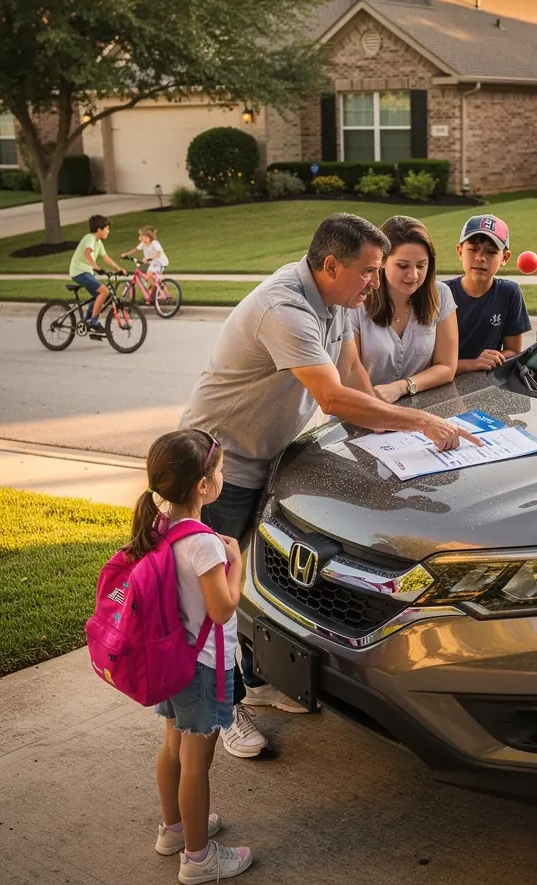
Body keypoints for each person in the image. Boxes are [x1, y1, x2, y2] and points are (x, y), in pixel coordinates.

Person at [179, 212, 481, 759]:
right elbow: (333, 399)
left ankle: (251, 680)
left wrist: (393, 448)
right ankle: (223, 709)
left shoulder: (339, 303)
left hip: (270, 461)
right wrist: (425, 424)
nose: (376, 281)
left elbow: (355, 384)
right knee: (209, 601)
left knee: (250, 584)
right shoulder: (285, 308)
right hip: (218, 470)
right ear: (331, 264)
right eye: (368, 271)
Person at [126, 428, 254, 885]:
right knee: (198, 762)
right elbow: (221, 609)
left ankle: (174, 831)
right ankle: (199, 859)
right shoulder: (203, 544)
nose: (222, 477)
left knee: (173, 747)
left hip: (171, 660)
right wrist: (235, 562)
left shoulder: (159, 526)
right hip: (200, 667)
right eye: (219, 471)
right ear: (204, 486)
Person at [350, 215, 458, 403]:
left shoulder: (442, 295)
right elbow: (349, 373)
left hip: (418, 407)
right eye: (403, 265)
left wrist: (402, 387)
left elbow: (447, 367)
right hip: (361, 407)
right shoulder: (355, 301)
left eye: (421, 265)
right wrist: (378, 406)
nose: (413, 275)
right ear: (382, 260)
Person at [446, 215, 531, 374]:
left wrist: (494, 358)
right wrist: (473, 364)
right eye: (472, 249)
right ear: (459, 251)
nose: (480, 258)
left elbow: (513, 351)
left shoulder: (509, 293)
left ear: (505, 258)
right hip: (442, 383)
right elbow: (429, 362)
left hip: (485, 381)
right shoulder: (443, 293)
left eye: (491, 252)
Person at [68, 214, 126, 334]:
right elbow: (87, 253)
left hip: (86, 272)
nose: (108, 232)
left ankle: (87, 321)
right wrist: (95, 266)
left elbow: (106, 258)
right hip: (79, 271)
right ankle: (93, 321)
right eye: (107, 229)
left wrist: (119, 269)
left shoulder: (98, 242)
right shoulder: (90, 238)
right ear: (99, 229)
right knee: (104, 291)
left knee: (101, 295)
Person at [121, 225, 169, 296]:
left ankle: (156, 289)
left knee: (149, 273)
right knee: (144, 273)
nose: (140, 238)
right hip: (152, 263)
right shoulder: (143, 244)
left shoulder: (155, 243)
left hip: (160, 262)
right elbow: (135, 250)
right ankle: (154, 288)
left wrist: (150, 258)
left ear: (148, 237)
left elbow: (159, 253)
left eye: (142, 236)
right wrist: (126, 254)